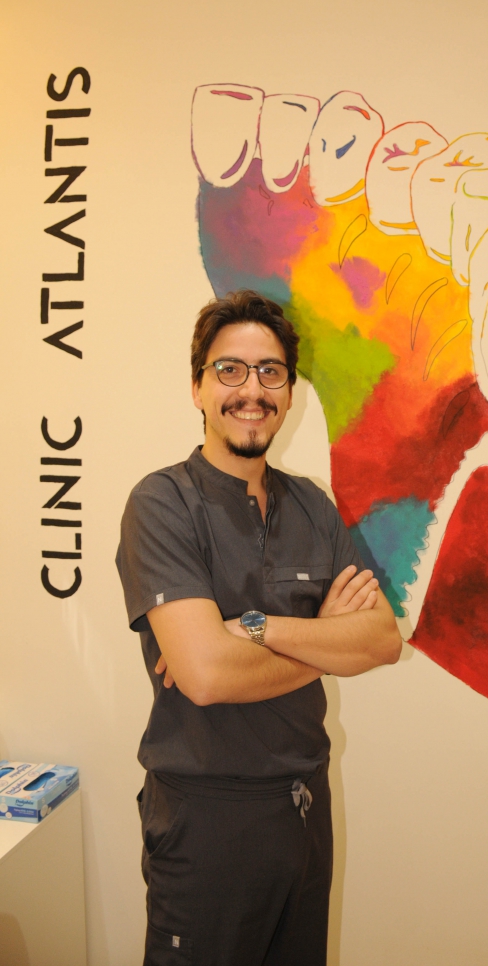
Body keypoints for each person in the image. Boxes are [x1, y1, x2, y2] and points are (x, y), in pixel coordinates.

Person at [116, 289, 402, 966]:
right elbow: (206, 677)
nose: (252, 390)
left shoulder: (313, 506)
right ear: (198, 387)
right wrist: (324, 640)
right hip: (205, 824)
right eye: (230, 370)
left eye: (271, 372)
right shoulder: (161, 503)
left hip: (304, 815)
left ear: (290, 392)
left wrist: (248, 627)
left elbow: (382, 640)